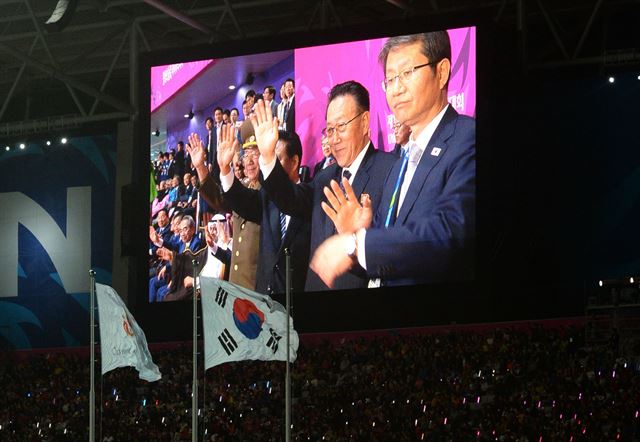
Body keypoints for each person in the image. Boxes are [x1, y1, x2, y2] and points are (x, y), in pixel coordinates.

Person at [311, 31, 476, 288]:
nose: (396, 89)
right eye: (390, 79)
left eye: (407, 73)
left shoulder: (467, 137)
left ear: (441, 72)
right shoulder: (401, 161)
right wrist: (359, 234)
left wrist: (358, 243)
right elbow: (386, 256)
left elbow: (451, 232)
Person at [254, 81, 395, 292]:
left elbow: (396, 250)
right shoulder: (324, 177)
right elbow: (291, 199)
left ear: (365, 122)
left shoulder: (390, 170)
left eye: (341, 127)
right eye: (330, 130)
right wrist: (267, 157)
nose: (334, 138)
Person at [212, 123, 311, 299]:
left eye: (275, 158)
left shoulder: (309, 197)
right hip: (262, 304)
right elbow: (241, 200)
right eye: (266, 158)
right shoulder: (266, 198)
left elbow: (289, 197)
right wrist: (225, 169)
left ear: (294, 162)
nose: (267, 165)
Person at [188, 130, 262, 291]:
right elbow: (221, 200)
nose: (248, 161)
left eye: (255, 154)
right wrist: (200, 167)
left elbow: (243, 199)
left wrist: (226, 170)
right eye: (246, 154)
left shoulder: (270, 191)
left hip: (256, 285)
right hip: (237, 283)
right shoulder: (245, 186)